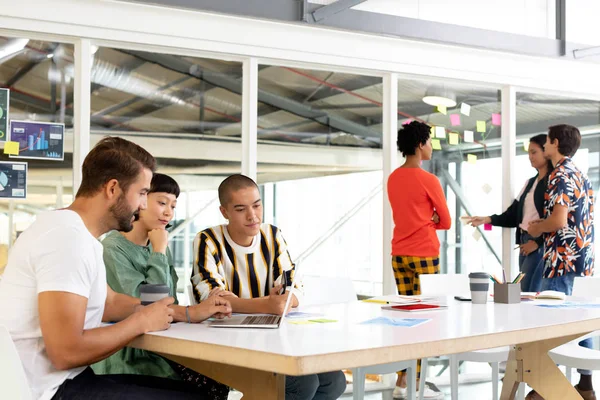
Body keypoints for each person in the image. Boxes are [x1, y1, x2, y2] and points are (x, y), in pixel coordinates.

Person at [0, 137, 230, 400]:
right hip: (49, 390)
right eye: (142, 193)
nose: (143, 205)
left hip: (69, 379)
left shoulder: (79, 235)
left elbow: (110, 301)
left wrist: (188, 312)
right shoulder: (67, 239)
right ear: (112, 188)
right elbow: (65, 353)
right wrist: (140, 322)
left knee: (207, 391)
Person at [191, 174, 347, 400]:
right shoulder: (207, 240)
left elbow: (293, 285)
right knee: (302, 384)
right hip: (227, 342)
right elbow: (214, 302)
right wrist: (268, 303)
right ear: (225, 212)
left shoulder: (272, 235)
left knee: (334, 381)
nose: (252, 215)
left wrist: (284, 298)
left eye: (256, 205)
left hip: (273, 338)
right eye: (240, 209)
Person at [92, 173, 230, 399]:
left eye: (173, 206)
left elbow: (170, 301)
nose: (169, 212)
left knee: (219, 381)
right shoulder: (113, 248)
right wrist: (158, 252)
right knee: (208, 387)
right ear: (142, 201)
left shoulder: (158, 243)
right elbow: (149, 306)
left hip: (164, 346)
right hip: (133, 354)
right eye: (162, 203)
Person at [526, 124, 595, 400]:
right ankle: (586, 384)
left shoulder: (560, 175)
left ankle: (546, 387)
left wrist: (537, 228)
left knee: (550, 321)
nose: (544, 146)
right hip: (580, 257)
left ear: (554, 143)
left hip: (562, 258)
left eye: (547, 142)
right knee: (578, 322)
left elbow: (558, 220)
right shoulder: (578, 173)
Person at [387, 121, 451, 400]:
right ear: (419, 144)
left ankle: (403, 378)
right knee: (425, 318)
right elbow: (446, 221)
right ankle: (417, 382)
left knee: (407, 318)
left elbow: (404, 214)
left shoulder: (393, 177)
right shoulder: (429, 180)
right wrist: (431, 222)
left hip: (399, 253)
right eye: (429, 141)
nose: (432, 147)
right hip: (424, 252)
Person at [468, 134, 553, 292]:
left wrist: (538, 242)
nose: (530, 157)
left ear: (546, 152)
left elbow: (555, 219)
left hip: (539, 243)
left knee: (529, 293)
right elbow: (513, 215)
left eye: (534, 152)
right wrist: (487, 219)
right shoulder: (530, 183)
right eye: (528, 152)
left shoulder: (553, 182)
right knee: (525, 292)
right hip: (525, 241)